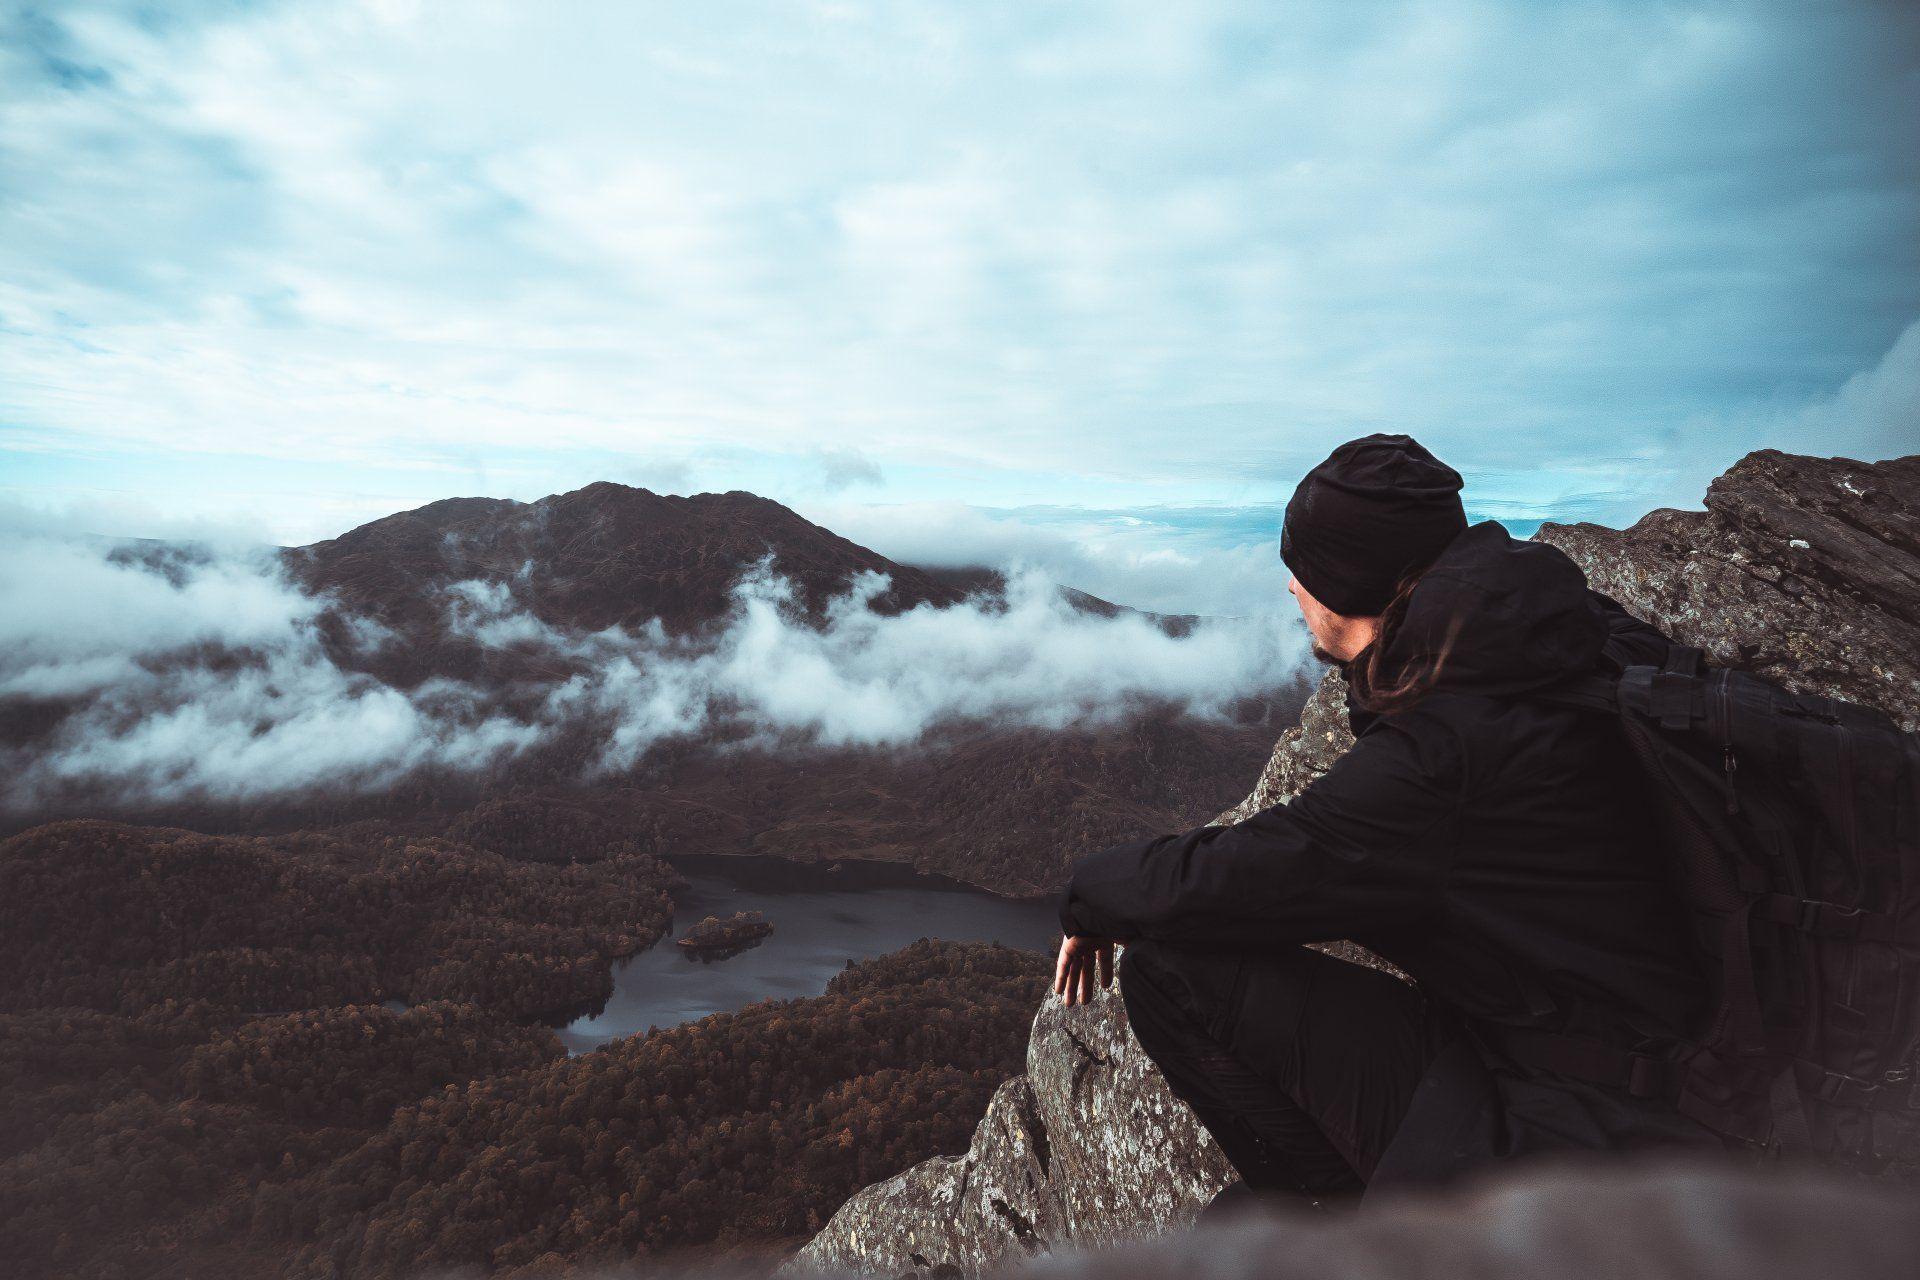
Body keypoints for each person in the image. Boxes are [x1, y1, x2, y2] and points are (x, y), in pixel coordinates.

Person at [1051, 433, 1727, 1216]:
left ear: (1347, 585)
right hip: (1641, 1043)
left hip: (1595, 1115)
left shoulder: (1445, 751)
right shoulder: (1565, 635)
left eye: (1302, 571)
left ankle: (1339, 1230)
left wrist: (1089, 894)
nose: (1291, 590)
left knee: (1168, 971)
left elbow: (1256, 872)